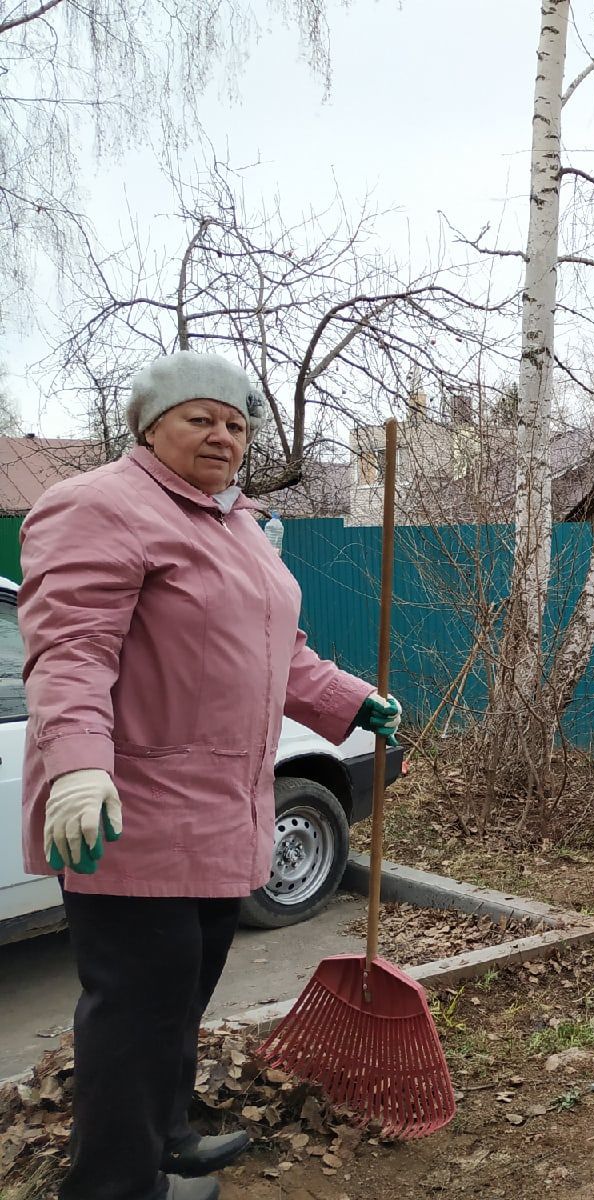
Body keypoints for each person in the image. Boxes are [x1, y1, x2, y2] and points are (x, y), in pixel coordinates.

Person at [19, 351, 403, 1200]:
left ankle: (167, 1139)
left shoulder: (234, 526)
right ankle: (115, 1187)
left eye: (235, 423)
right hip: (136, 811)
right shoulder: (98, 508)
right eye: (200, 418)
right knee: (134, 1013)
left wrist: (351, 699)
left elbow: (279, 652)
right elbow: (69, 655)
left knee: (180, 996)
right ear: (149, 426)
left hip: (227, 809)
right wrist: (79, 767)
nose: (222, 435)